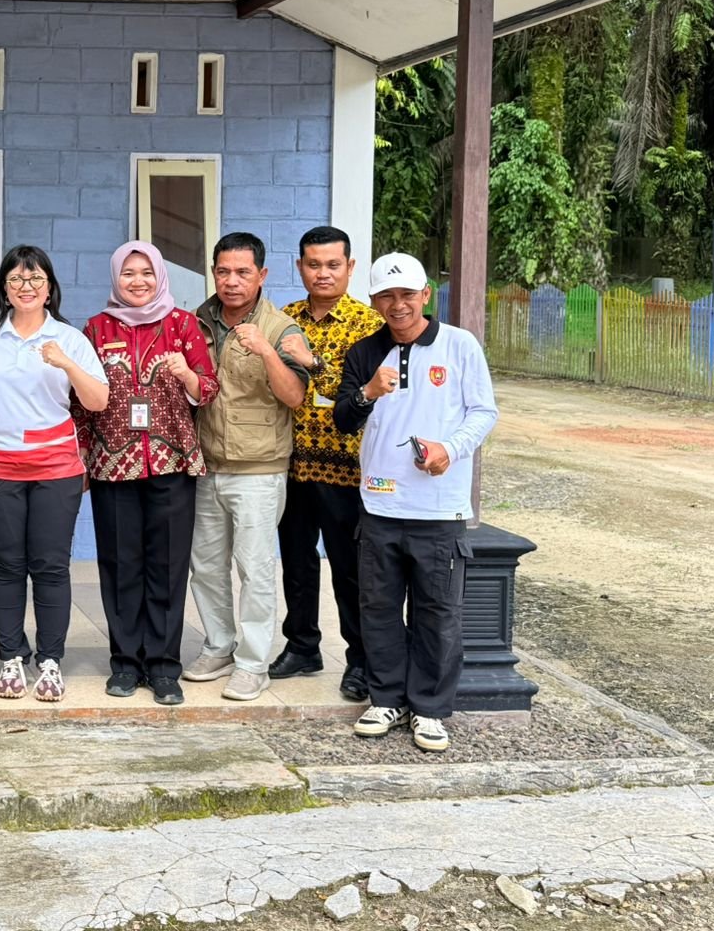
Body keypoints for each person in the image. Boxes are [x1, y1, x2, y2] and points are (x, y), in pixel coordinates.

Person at [334, 252, 497, 752]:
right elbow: (343, 418)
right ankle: (386, 698)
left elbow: (483, 411)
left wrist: (451, 448)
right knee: (378, 609)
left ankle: (429, 709)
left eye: (407, 295)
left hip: (439, 508)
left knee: (437, 612)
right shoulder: (365, 351)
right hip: (380, 505)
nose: (398, 305)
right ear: (375, 302)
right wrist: (368, 391)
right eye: (387, 296)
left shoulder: (459, 346)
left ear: (426, 295)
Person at [0, 245, 110, 703]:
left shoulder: (70, 338)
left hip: (56, 467)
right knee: (6, 566)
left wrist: (65, 362)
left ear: (50, 288)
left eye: (36, 279)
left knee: (50, 566)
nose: (27, 288)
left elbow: (98, 400)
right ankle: (10, 657)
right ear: (4, 288)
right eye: (17, 280)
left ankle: (49, 661)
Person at [72, 241, 219, 706]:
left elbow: (208, 389)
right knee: (119, 566)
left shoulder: (184, 324)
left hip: (172, 462)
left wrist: (187, 375)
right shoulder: (96, 328)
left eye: (147, 273)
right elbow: (79, 400)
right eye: (129, 273)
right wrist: (79, 456)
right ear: (117, 278)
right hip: (112, 465)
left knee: (168, 567)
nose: (138, 281)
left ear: (160, 276)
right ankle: (125, 663)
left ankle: (163, 667)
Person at [186, 232, 315, 702]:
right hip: (206, 464)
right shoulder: (196, 321)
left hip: (259, 468)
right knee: (205, 566)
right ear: (213, 272)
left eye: (243, 272)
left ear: (261, 275)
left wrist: (264, 350)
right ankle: (219, 644)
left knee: (255, 568)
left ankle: (253, 662)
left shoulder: (281, 329)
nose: (232, 281)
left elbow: (296, 396)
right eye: (223, 271)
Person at [272, 226, 385, 703]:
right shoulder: (285, 319)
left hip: (347, 472)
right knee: (296, 565)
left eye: (332, 265)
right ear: (300, 266)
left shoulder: (369, 324)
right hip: (293, 466)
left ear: (350, 267)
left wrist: (312, 361)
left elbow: (361, 392)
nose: (322, 273)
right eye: (313, 264)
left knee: (349, 570)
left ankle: (360, 659)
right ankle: (302, 645)